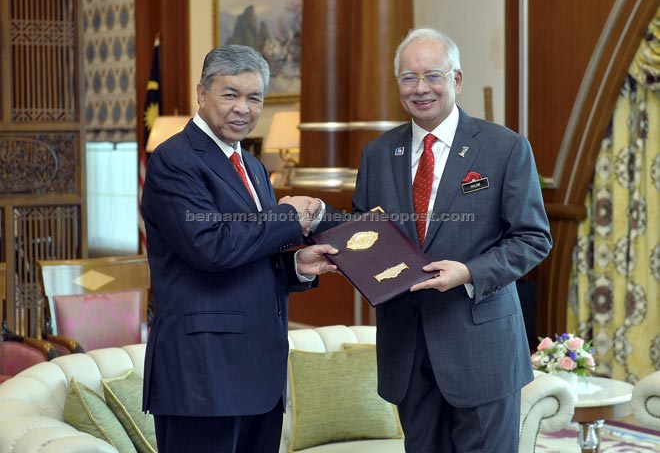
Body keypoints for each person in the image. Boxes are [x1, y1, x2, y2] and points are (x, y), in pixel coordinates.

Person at [351, 28, 552, 451]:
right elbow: (365, 228)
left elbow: (533, 238)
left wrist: (468, 273)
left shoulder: (504, 148)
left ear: (456, 80)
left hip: (481, 348)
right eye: (409, 77)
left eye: (432, 75)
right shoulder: (377, 153)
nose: (420, 88)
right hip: (407, 349)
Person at [140, 44, 338, 453]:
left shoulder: (253, 168)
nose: (243, 108)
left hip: (259, 375)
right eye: (230, 94)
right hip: (203, 374)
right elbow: (210, 247)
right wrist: (288, 216)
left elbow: (251, 249)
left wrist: (296, 265)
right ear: (201, 92)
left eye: (254, 98)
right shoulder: (173, 160)